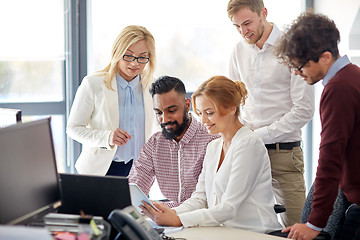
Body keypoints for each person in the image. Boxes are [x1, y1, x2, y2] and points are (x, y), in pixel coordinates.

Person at [140, 76, 282, 234]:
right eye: (199, 113)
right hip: (225, 232)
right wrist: (171, 213)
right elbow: (200, 199)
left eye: (209, 113)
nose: (203, 120)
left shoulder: (249, 144)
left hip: (256, 233)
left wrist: (179, 219)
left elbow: (229, 208)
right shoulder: (214, 146)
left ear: (231, 108)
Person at [226, 0, 315, 227]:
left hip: (284, 154)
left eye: (247, 23)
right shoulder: (238, 49)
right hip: (247, 151)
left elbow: (304, 110)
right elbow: (233, 100)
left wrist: (260, 135)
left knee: (296, 226)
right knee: (243, 225)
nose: (243, 31)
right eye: (237, 26)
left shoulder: (294, 48)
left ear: (263, 13)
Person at [274, 12, 360, 240]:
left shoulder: (339, 88)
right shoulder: (353, 77)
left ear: (324, 57)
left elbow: (330, 158)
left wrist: (314, 224)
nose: (297, 72)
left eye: (301, 66)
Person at [67, 25, 157, 176]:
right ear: (117, 52)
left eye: (142, 57)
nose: (135, 63)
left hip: (140, 172)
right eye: (128, 55)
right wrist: (106, 137)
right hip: (102, 171)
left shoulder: (152, 87)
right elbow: (73, 128)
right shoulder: (93, 84)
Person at [128, 76, 219, 207]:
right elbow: (134, 189)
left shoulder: (211, 140)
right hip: (169, 220)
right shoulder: (154, 144)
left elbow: (209, 202)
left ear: (187, 105)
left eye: (171, 111)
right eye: (159, 112)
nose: (164, 119)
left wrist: (162, 208)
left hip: (202, 219)